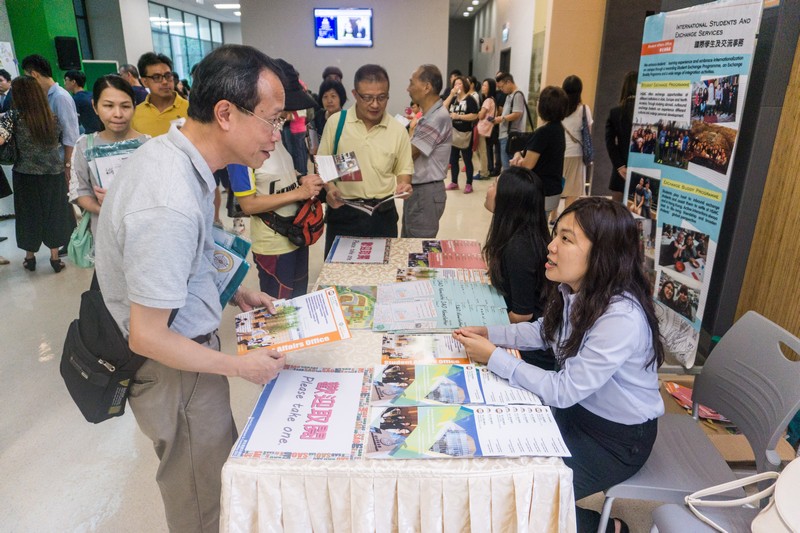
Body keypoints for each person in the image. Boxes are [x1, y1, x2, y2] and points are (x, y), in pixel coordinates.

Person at [94, 45, 288, 532]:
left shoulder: (182, 158)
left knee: (215, 478)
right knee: (203, 502)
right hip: (173, 371)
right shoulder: (168, 198)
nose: (275, 136)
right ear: (225, 113)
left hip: (189, 357)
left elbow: (192, 255)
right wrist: (241, 367)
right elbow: (148, 336)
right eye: (271, 120)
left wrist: (235, 291)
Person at [453, 197, 664, 533]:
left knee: (523, 491)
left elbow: (563, 390)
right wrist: (490, 333)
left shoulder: (620, 316)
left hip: (616, 440)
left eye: (566, 239)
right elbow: (543, 332)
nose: (550, 247)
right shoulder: (576, 289)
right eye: (556, 234)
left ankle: (606, 528)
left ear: (602, 253)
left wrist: (494, 356)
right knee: (497, 465)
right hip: (578, 413)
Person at [228, 59, 324, 298]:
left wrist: (301, 179)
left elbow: (283, 173)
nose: (287, 114)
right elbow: (248, 204)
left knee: (299, 296)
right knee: (279, 306)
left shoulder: (275, 135)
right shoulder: (240, 150)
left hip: (297, 232)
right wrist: (299, 193)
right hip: (273, 242)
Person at [317, 64, 413, 257]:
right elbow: (322, 166)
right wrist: (330, 188)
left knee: (382, 275)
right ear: (355, 94)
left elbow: (404, 171)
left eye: (382, 97)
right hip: (344, 212)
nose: (375, 104)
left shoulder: (397, 130)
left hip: (383, 214)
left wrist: (404, 186)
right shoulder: (337, 123)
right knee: (340, 276)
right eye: (367, 98)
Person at [482, 167, 555, 370]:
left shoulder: (519, 247)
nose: (488, 188)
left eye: (495, 185)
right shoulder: (521, 234)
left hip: (530, 351)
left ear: (509, 199)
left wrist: (482, 323)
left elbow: (522, 315)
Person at [0, 76, 72, 273]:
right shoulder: (52, 117)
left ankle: (29, 258)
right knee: (54, 213)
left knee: (28, 216)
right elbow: (58, 141)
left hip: (26, 174)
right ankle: (55, 258)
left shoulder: (12, 116)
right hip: (53, 173)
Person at [68, 75, 149, 235]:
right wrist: (103, 208)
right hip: (105, 232)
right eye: (108, 106)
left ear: (134, 106)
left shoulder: (149, 145)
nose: (118, 114)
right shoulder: (85, 145)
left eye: (125, 106)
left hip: (146, 232)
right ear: (95, 106)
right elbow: (80, 191)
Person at [402, 64, 452, 238]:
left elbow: (410, 153)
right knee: (409, 246)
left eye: (411, 83)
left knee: (417, 252)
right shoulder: (429, 116)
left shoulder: (437, 118)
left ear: (427, 87)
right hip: (420, 191)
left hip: (425, 193)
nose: (408, 88)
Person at [509, 86, 568, 216]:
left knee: (532, 230)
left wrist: (516, 162)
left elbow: (528, 165)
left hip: (540, 192)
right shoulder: (558, 128)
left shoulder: (544, 132)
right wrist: (519, 153)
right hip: (552, 189)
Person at [21, 54, 80, 180]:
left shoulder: (60, 97)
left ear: (34, 75)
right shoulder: (46, 96)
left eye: (27, 77)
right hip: (53, 163)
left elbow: (71, 135)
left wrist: (68, 165)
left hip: (62, 162)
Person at [131, 52, 189, 137]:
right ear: (145, 82)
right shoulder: (135, 114)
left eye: (168, 76)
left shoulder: (191, 110)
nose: (165, 82)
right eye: (157, 77)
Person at [560, 75, 592, 214]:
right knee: (572, 192)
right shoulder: (584, 109)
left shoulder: (559, 107)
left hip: (559, 154)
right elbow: (588, 134)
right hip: (576, 155)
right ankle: (564, 218)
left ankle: (553, 217)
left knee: (556, 189)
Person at [605, 71, 638, 203]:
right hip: (643, 169)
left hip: (621, 172)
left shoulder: (615, 112)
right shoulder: (648, 112)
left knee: (617, 216)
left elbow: (610, 142)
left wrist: (619, 166)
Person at [443, 76, 479, 193]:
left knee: (467, 159)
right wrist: (451, 95)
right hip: (452, 133)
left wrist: (459, 116)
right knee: (453, 160)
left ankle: (469, 183)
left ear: (464, 85)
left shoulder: (470, 100)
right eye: (455, 84)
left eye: (459, 83)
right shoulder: (453, 99)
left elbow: (475, 115)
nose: (456, 85)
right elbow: (443, 107)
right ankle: (454, 182)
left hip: (465, 134)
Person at [493, 73, 526, 171]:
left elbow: (517, 113)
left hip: (510, 136)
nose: (501, 90)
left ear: (508, 82)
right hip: (504, 135)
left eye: (502, 87)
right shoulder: (509, 96)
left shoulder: (517, 94)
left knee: (508, 168)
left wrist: (501, 119)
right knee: (505, 166)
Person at [312, 78, 347, 155]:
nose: (329, 101)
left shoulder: (347, 119)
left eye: (333, 96)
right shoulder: (318, 116)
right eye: (325, 97)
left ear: (341, 98)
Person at [64, 70, 103, 134]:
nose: (65, 83)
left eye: (66, 80)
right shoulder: (92, 94)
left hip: (91, 135)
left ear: (73, 82)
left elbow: (75, 122)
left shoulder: (75, 99)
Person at [477, 78, 499, 178]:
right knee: (484, 151)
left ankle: (483, 172)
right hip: (488, 129)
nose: (483, 87)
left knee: (482, 152)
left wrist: (477, 113)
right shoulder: (493, 100)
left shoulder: (487, 100)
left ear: (490, 88)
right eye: (483, 85)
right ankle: (485, 170)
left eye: (485, 85)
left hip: (483, 129)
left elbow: (481, 115)